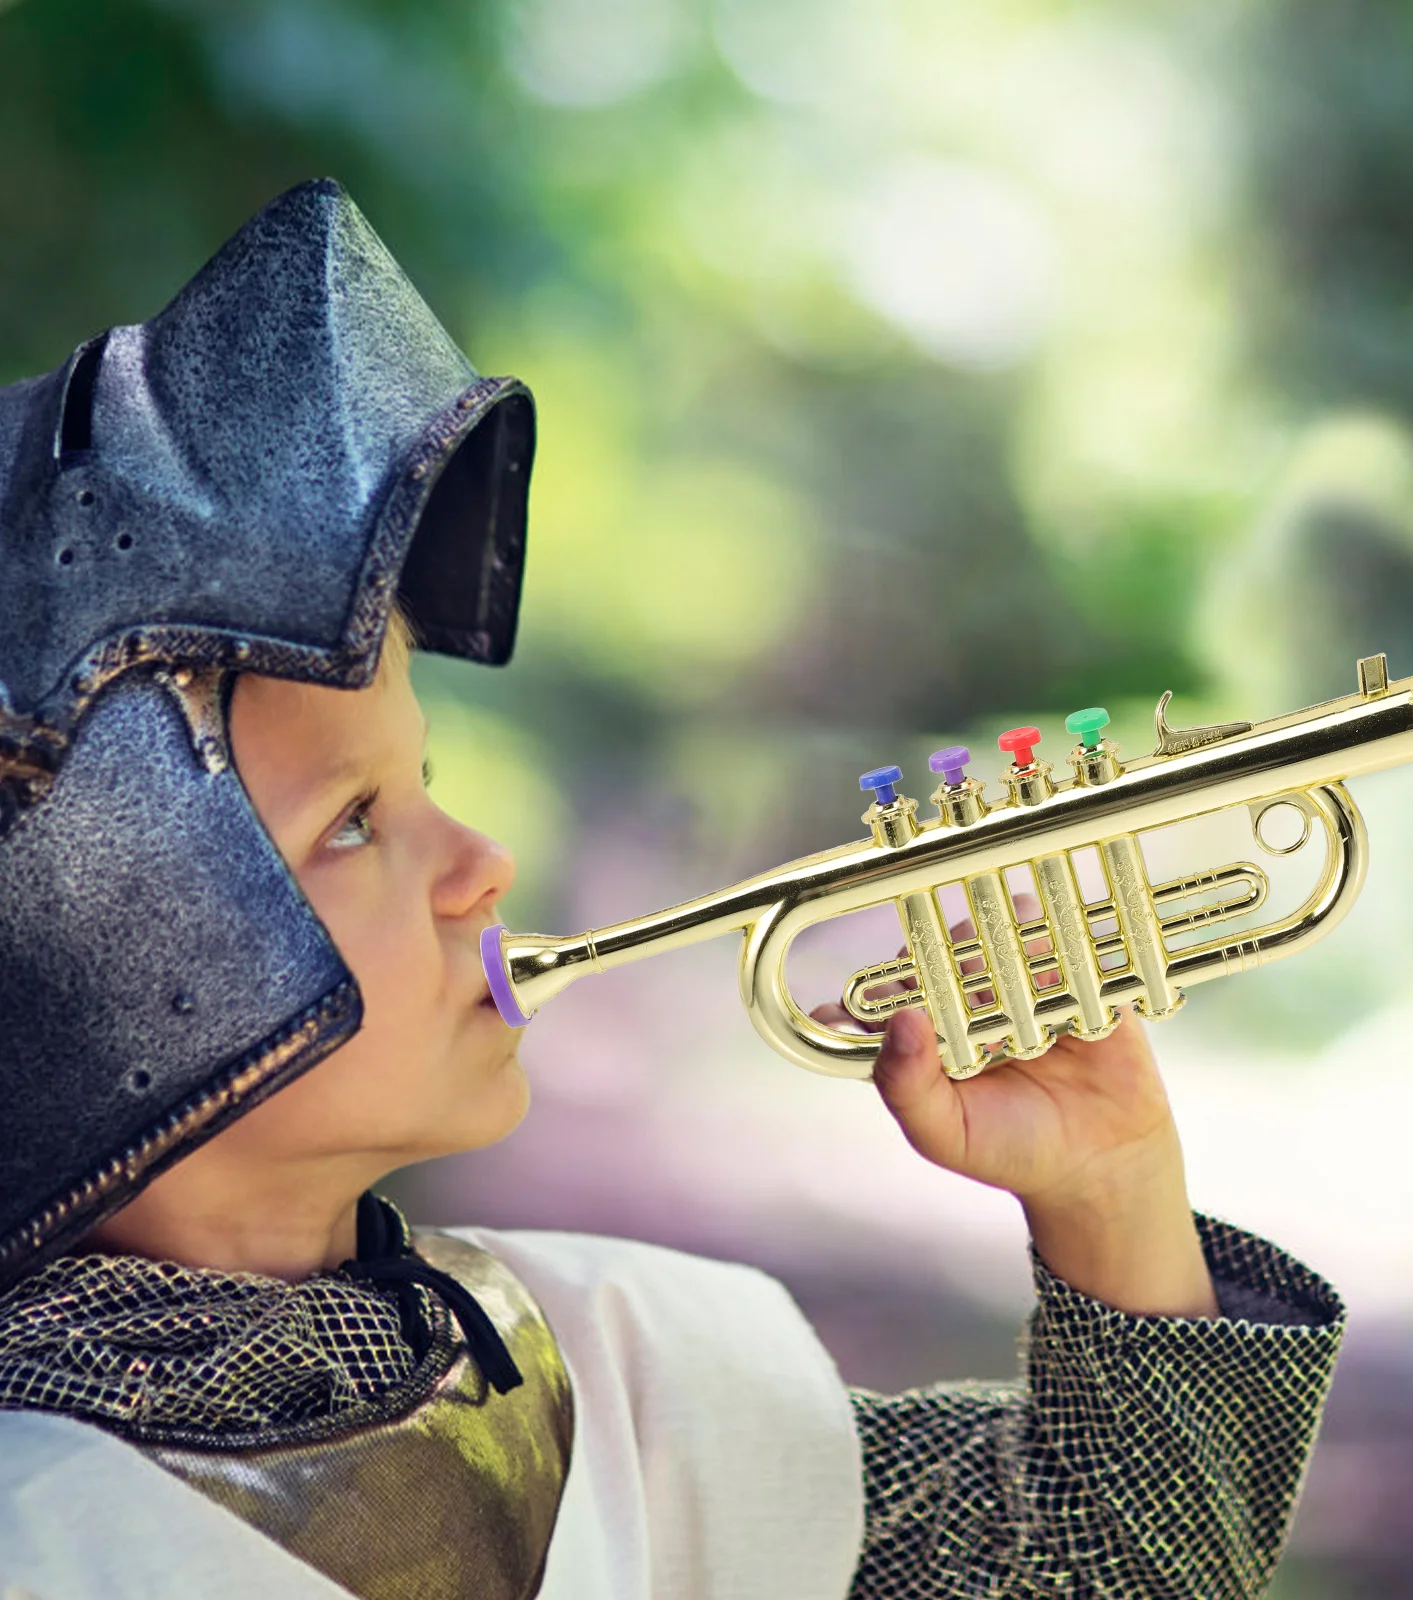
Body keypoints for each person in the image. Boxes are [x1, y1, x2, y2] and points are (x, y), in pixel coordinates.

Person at [0, 179, 1344, 1600]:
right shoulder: (41, 1533)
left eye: (426, 780)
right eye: (355, 822)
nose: (480, 867)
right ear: (112, 929)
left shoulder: (624, 1373)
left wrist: (1111, 1199)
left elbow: (1103, 1570)